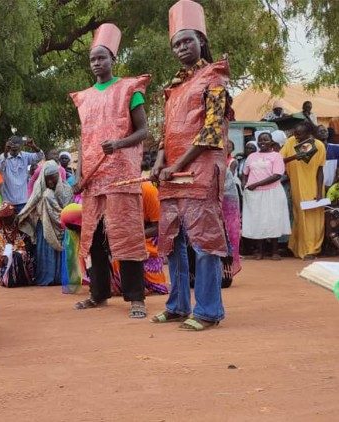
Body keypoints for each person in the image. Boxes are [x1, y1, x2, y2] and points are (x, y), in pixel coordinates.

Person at [150, 0, 231, 331]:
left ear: (201, 41)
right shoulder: (173, 87)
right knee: (171, 241)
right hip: (171, 172)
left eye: (187, 40)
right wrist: (158, 163)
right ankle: (178, 305)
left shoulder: (215, 78)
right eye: (176, 43)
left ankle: (209, 310)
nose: (182, 47)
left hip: (200, 170)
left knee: (204, 240)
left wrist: (176, 164)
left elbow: (211, 133)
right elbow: (164, 134)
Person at [68, 23, 151, 318]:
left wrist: (118, 143)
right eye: (92, 59)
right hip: (92, 179)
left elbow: (143, 131)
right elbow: (83, 139)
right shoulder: (84, 97)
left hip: (121, 176)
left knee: (127, 237)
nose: (97, 63)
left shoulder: (130, 90)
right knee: (95, 239)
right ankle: (98, 293)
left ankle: (136, 297)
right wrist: (79, 175)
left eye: (102, 57)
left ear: (113, 59)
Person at [18, 161, 73, 286]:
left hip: (63, 227)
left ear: (58, 177)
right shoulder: (40, 190)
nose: (50, 183)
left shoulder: (67, 189)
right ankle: (46, 278)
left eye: (53, 179)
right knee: (45, 252)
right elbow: (30, 205)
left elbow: (68, 208)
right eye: (48, 180)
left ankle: (59, 278)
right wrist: (21, 216)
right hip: (44, 226)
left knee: (61, 253)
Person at [280, 120, 326, 259]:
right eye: (295, 133)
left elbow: (320, 171)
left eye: (299, 134)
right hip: (297, 187)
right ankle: (297, 248)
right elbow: (279, 160)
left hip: (314, 187)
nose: (296, 136)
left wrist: (319, 192)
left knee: (314, 220)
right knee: (300, 218)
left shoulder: (319, 145)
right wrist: (295, 156)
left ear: (309, 133)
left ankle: (312, 249)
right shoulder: (290, 142)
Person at [242, 132, 291, 259]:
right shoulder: (252, 156)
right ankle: (260, 251)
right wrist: (245, 184)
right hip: (254, 194)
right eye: (260, 140)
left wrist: (256, 184)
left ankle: (275, 251)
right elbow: (245, 172)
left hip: (272, 192)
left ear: (272, 142)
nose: (262, 142)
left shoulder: (277, 156)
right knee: (258, 221)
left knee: (273, 220)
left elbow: (277, 176)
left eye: (265, 140)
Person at [0, 136, 44, 214]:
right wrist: (5, 151)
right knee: (9, 224)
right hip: (8, 201)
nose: (14, 145)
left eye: (17, 143)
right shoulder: (3, 156)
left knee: (22, 223)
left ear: (21, 145)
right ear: (9, 144)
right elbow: (0, 168)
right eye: (12, 143)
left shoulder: (25, 156)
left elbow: (40, 156)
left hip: (23, 200)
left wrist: (33, 146)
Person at [0, 202, 32, 287]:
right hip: (3, 251)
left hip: (18, 247)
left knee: (22, 254)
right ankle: (10, 280)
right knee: (11, 256)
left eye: (10, 217)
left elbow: (19, 239)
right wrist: (12, 251)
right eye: (5, 218)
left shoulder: (16, 221)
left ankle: (23, 279)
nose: (8, 219)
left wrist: (17, 250)